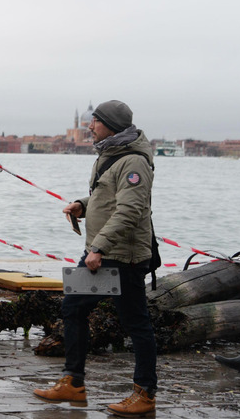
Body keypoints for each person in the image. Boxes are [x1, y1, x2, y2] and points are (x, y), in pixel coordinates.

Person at [33, 100, 158, 417]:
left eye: (96, 121)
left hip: (122, 256)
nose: (89, 126)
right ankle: (73, 383)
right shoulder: (112, 155)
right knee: (72, 307)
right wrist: (82, 205)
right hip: (103, 252)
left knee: (136, 323)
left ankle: (145, 393)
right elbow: (108, 196)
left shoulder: (134, 163)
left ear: (112, 125)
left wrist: (97, 248)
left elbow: (130, 210)